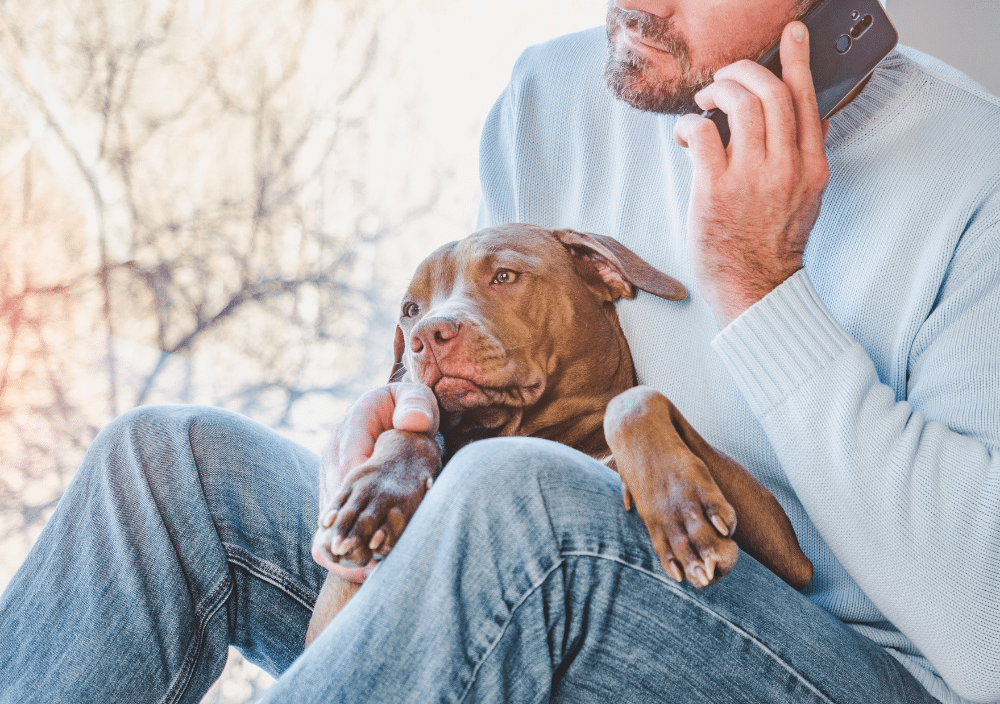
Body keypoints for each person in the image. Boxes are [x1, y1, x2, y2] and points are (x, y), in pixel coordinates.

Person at [2, 0, 999, 702]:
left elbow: (985, 638)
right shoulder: (552, 93)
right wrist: (406, 429)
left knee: (520, 494)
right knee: (169, 464)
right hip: (552, 575)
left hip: (847, 669)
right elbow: (500, 384)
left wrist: (761, 282)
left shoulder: (971, 176)